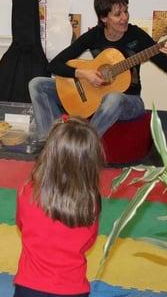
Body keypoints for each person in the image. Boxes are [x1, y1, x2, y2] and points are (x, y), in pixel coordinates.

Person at [29, 0, 167, 138]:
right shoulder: (94, 35)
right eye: (118, 14)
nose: (124, 17)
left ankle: (83, 145)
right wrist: (84, 74)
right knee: (37, 84)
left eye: (126, 11)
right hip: (96, 96)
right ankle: (52, 139)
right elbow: (54, 65)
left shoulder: (137, 36)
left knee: (113, 97)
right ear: (104, 18)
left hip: (129, 101)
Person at [14, 118, 102, 297]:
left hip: (29, 287)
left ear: (48, 153)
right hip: (74, 289)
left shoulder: (28, 192)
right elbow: (89, 242)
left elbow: (22, 225)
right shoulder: (91, 201)